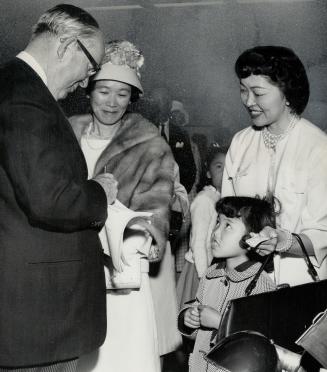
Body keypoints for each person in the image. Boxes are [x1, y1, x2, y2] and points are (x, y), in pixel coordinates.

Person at [0, 4, 118, 372]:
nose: (86, 81)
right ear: (66, 45)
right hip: (39, 316)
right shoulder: (24, 97)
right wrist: (99, 191)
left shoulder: (13, 84)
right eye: (91, 66)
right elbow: (49, 200)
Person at [69, 40, 180, 372]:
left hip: (123, 272)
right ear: (89, 90)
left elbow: (158, 210)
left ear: (132, 97)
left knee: (124, 354)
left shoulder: (150, 144)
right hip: (71, 268)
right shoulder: (66, 133)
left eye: (122, 93)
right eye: (104, 91)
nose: (112, 102)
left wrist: (130, 239)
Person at [222, 46, 327, 286]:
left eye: (258, 93)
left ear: (287, 93)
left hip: (301, 283)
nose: (248, 101)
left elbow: (323, 235)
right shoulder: (241, 142)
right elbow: (228, 215)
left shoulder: (318, 148)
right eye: (242, 90)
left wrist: (283, 241)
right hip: (245, 279)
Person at [178, 196, 277, 372]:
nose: (216, 232)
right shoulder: (210, 274)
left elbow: (259, 343)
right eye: (218, 223)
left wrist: (221, 323)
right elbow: (198, 311)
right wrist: (189, 318)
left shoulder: (261, 284)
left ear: (252, 238)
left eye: (228, 226)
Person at [177, 145, 227, 309]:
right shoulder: (205, 199)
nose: (224, 171)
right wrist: (204, 277)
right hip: (199, 269)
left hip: (212, 267)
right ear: (208, 172)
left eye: (229, 166)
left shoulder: (221, 198)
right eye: (219, 166)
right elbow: (198, 243)